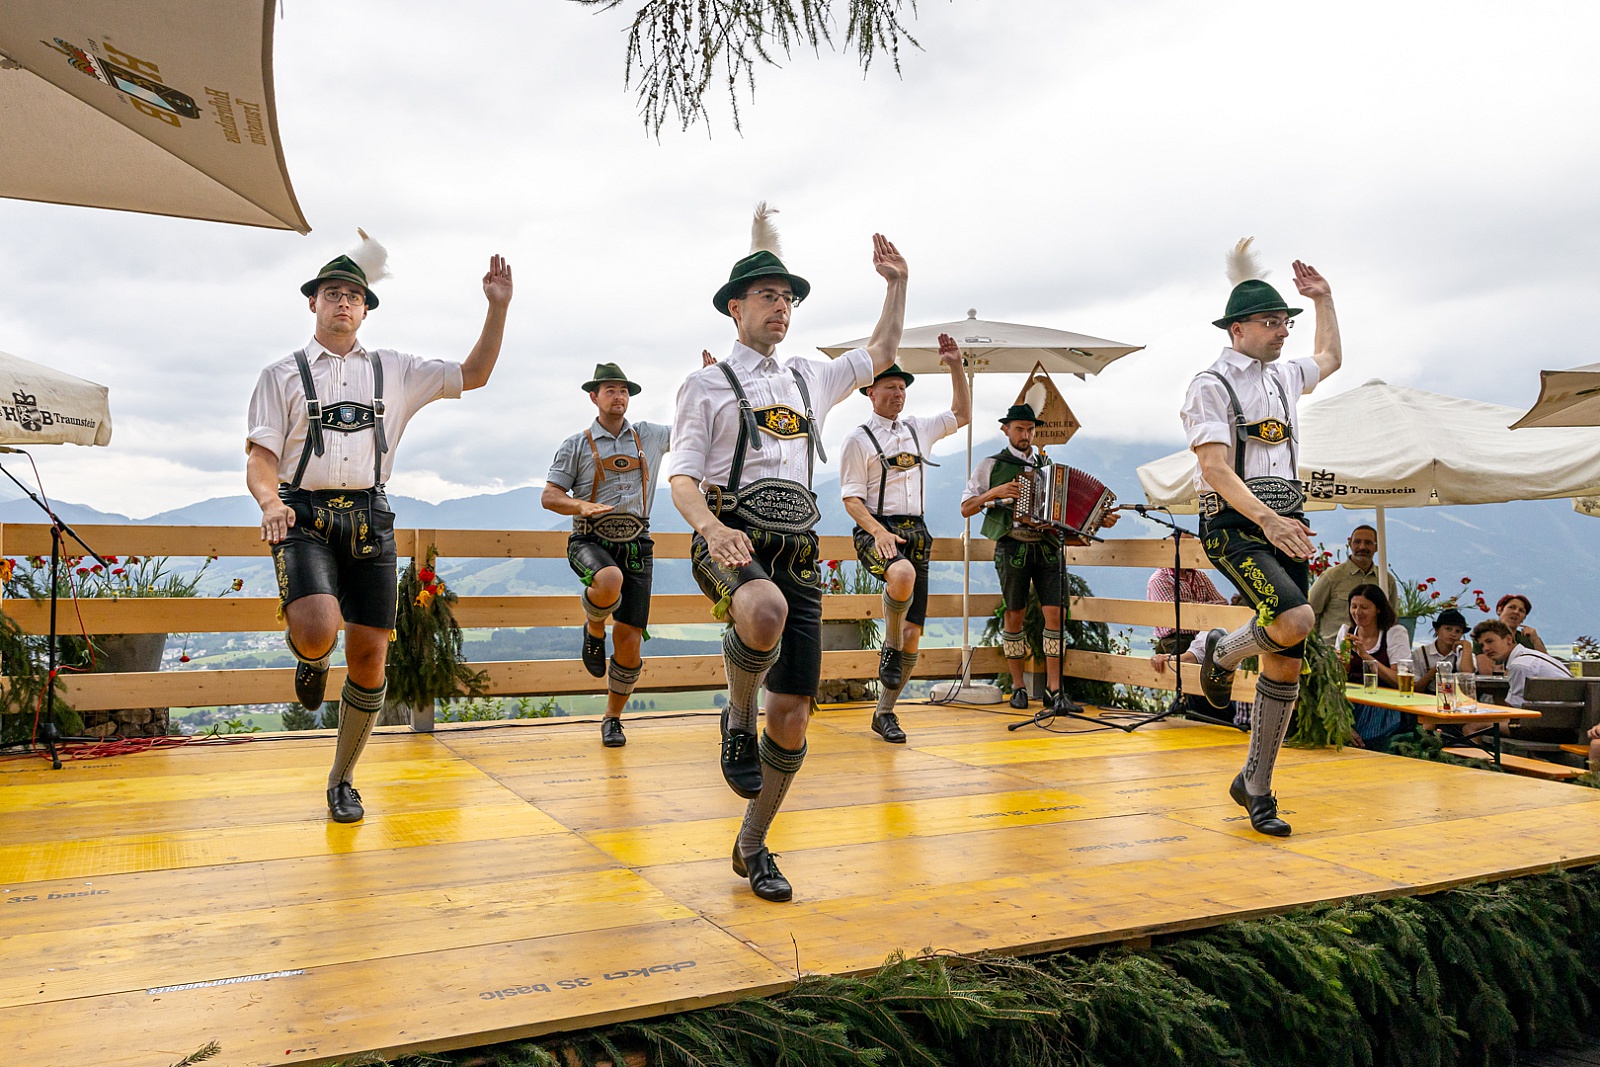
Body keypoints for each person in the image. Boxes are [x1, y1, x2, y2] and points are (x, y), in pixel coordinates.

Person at [666, 204, 906, 902]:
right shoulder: (705, 385)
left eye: (789, 298)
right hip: (731, 534)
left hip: (798, 544)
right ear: (735, 308)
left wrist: (897, 284)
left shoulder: (809, 376)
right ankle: (736, 717)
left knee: (795, 716)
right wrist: (710, 529)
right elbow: (681, 478)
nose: (781, 306)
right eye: (768, 295)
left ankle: (753, 843)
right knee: (762, 609)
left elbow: (881, 351)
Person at [246, 232, 512, 823]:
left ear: (365, 309)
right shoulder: (279, 374)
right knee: (317, 630)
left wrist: (497, 308)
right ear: (313, 302)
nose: (342, 303)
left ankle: (342, 778)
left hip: (370, 514)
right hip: (302, 513)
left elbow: (475, 373)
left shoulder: (396, 369)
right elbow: (260, 458)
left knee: (370, 658)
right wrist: (268, 502)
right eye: (332, 294)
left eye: (353, 296)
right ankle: (313, 657)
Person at [1184, 238, 1341, 837]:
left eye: (1285, 322)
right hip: (1234, 524)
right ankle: (1222, 652)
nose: (1283, 331)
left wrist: (1323, 299)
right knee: (1297, 619)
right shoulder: (1210, 384)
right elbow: (1214, 469)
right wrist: (1267, 520)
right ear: (1238, 328)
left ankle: (1256, 785)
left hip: (1287, 520)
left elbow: (1330, 356)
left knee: (1285, 658)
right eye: (1272, 322)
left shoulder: (1284, 376)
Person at [839, 333, 970, 743]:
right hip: (876, 528)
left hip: (917, 530)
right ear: (870, 392)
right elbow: (851, 498)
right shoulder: (858, 439)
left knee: (914, 634)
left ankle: (885, 712)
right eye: (890, 387)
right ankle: (889, 649)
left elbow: (962, 414)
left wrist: (955, 366)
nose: (898, 393)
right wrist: (878, 531)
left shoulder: (918, 428)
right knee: (902, 574)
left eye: (902, 388)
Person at [541, 363, 674, 748]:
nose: (619, 397)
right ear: (594, 397)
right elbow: (550, 496)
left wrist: (711, 384)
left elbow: (693, 427)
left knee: (630, 642)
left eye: (624, 391)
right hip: (589, 539)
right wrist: (579, 505)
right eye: (611, 390)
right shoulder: (576, 444)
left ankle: (613, 718)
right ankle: (595, 626)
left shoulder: (649, 436)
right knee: (608, 579)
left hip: (637, 542)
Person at [960, 405, 1119, 711]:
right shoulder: (991, 465)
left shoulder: (1048, 467)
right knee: (1014, 614)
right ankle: (1018, 686)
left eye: (1030, 429)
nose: (1026, 434)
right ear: (1006, 429)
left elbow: (1067, 513)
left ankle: (1054, 690)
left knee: (1056, 614)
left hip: (1047, 547)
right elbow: (966, 508)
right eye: (1019, 429)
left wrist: (1099, 519)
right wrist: (995, 492)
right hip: (1012, 546)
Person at [1306, 524, 1396, 641]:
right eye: (1357, 542)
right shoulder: (1331, 577)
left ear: (1377, 547)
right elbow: (1309, 613)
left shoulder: (1386, 580)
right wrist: (1317, 646)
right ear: (1350, 544)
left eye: (1368, 543)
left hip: (1374, 650)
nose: (1362, 547)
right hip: (1334, 649)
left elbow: (1391, 619)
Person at [1471, 619, 1569, 707]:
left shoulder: (1519, 665)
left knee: (1475, 721)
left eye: (1490, 641)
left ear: (1509, 639)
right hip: (1562, 712)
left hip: (1554, 717)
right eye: (1482, 645)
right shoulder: (1529, 656)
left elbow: (1516, 709)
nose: (1486, 648)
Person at [1146, 557, 1228, 657]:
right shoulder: (1159, 579)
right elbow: (1176, 613)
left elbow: (1223, 604)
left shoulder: (1199, 575)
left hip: (1203, 637)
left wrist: (1191, 606)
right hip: (1177, 640)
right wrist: (1209, 606)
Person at [1475, 593, 1545, 673]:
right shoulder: (1484, 637)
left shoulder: (1527, 638)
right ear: (1499, 610)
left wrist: (1536, 641)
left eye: (1521, 610)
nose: (1516, 612)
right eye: (1512, 607)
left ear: (1524, 618)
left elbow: (1544, 665)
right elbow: (1487, 672)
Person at [1411, 607, 1470, 694]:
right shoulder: (1419, 654)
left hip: (1455, 699)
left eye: (1458, 631)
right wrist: (1433, 671)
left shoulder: (1463, 653)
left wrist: (1467, 645)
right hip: (1425, 699)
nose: (1453, 634)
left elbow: (1467, 676)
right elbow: (1415, 689)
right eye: (1448, 629)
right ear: (1437, 630)